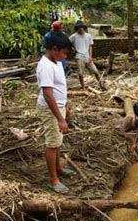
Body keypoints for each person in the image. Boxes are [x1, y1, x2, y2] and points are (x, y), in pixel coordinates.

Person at [36, 32, 74, 194]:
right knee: (52, 143)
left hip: (59, 107)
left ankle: (58, 167)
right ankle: (53, 179)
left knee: (57, 141)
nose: (65, 56)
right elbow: (48, 94)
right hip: (50, 110)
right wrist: (60, 118)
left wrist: (66, 106)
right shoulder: (45, 66)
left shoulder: (56, 62)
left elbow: (60, 87)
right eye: (64, 53)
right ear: (54, 49)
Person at [69, 20, 106, 90]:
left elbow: (90, 46)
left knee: (96, 71)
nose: (80, 28)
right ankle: (83, 87)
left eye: (81, 27)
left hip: (87, 56)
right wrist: (73, 49)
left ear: (84, 27)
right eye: (78, 27)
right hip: (79, 56)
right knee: (80, 73)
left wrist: (90, 56)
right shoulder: (73, 36)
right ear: (77, 28)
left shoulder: (88, 36)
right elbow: (67, 43)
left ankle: (102, 85)